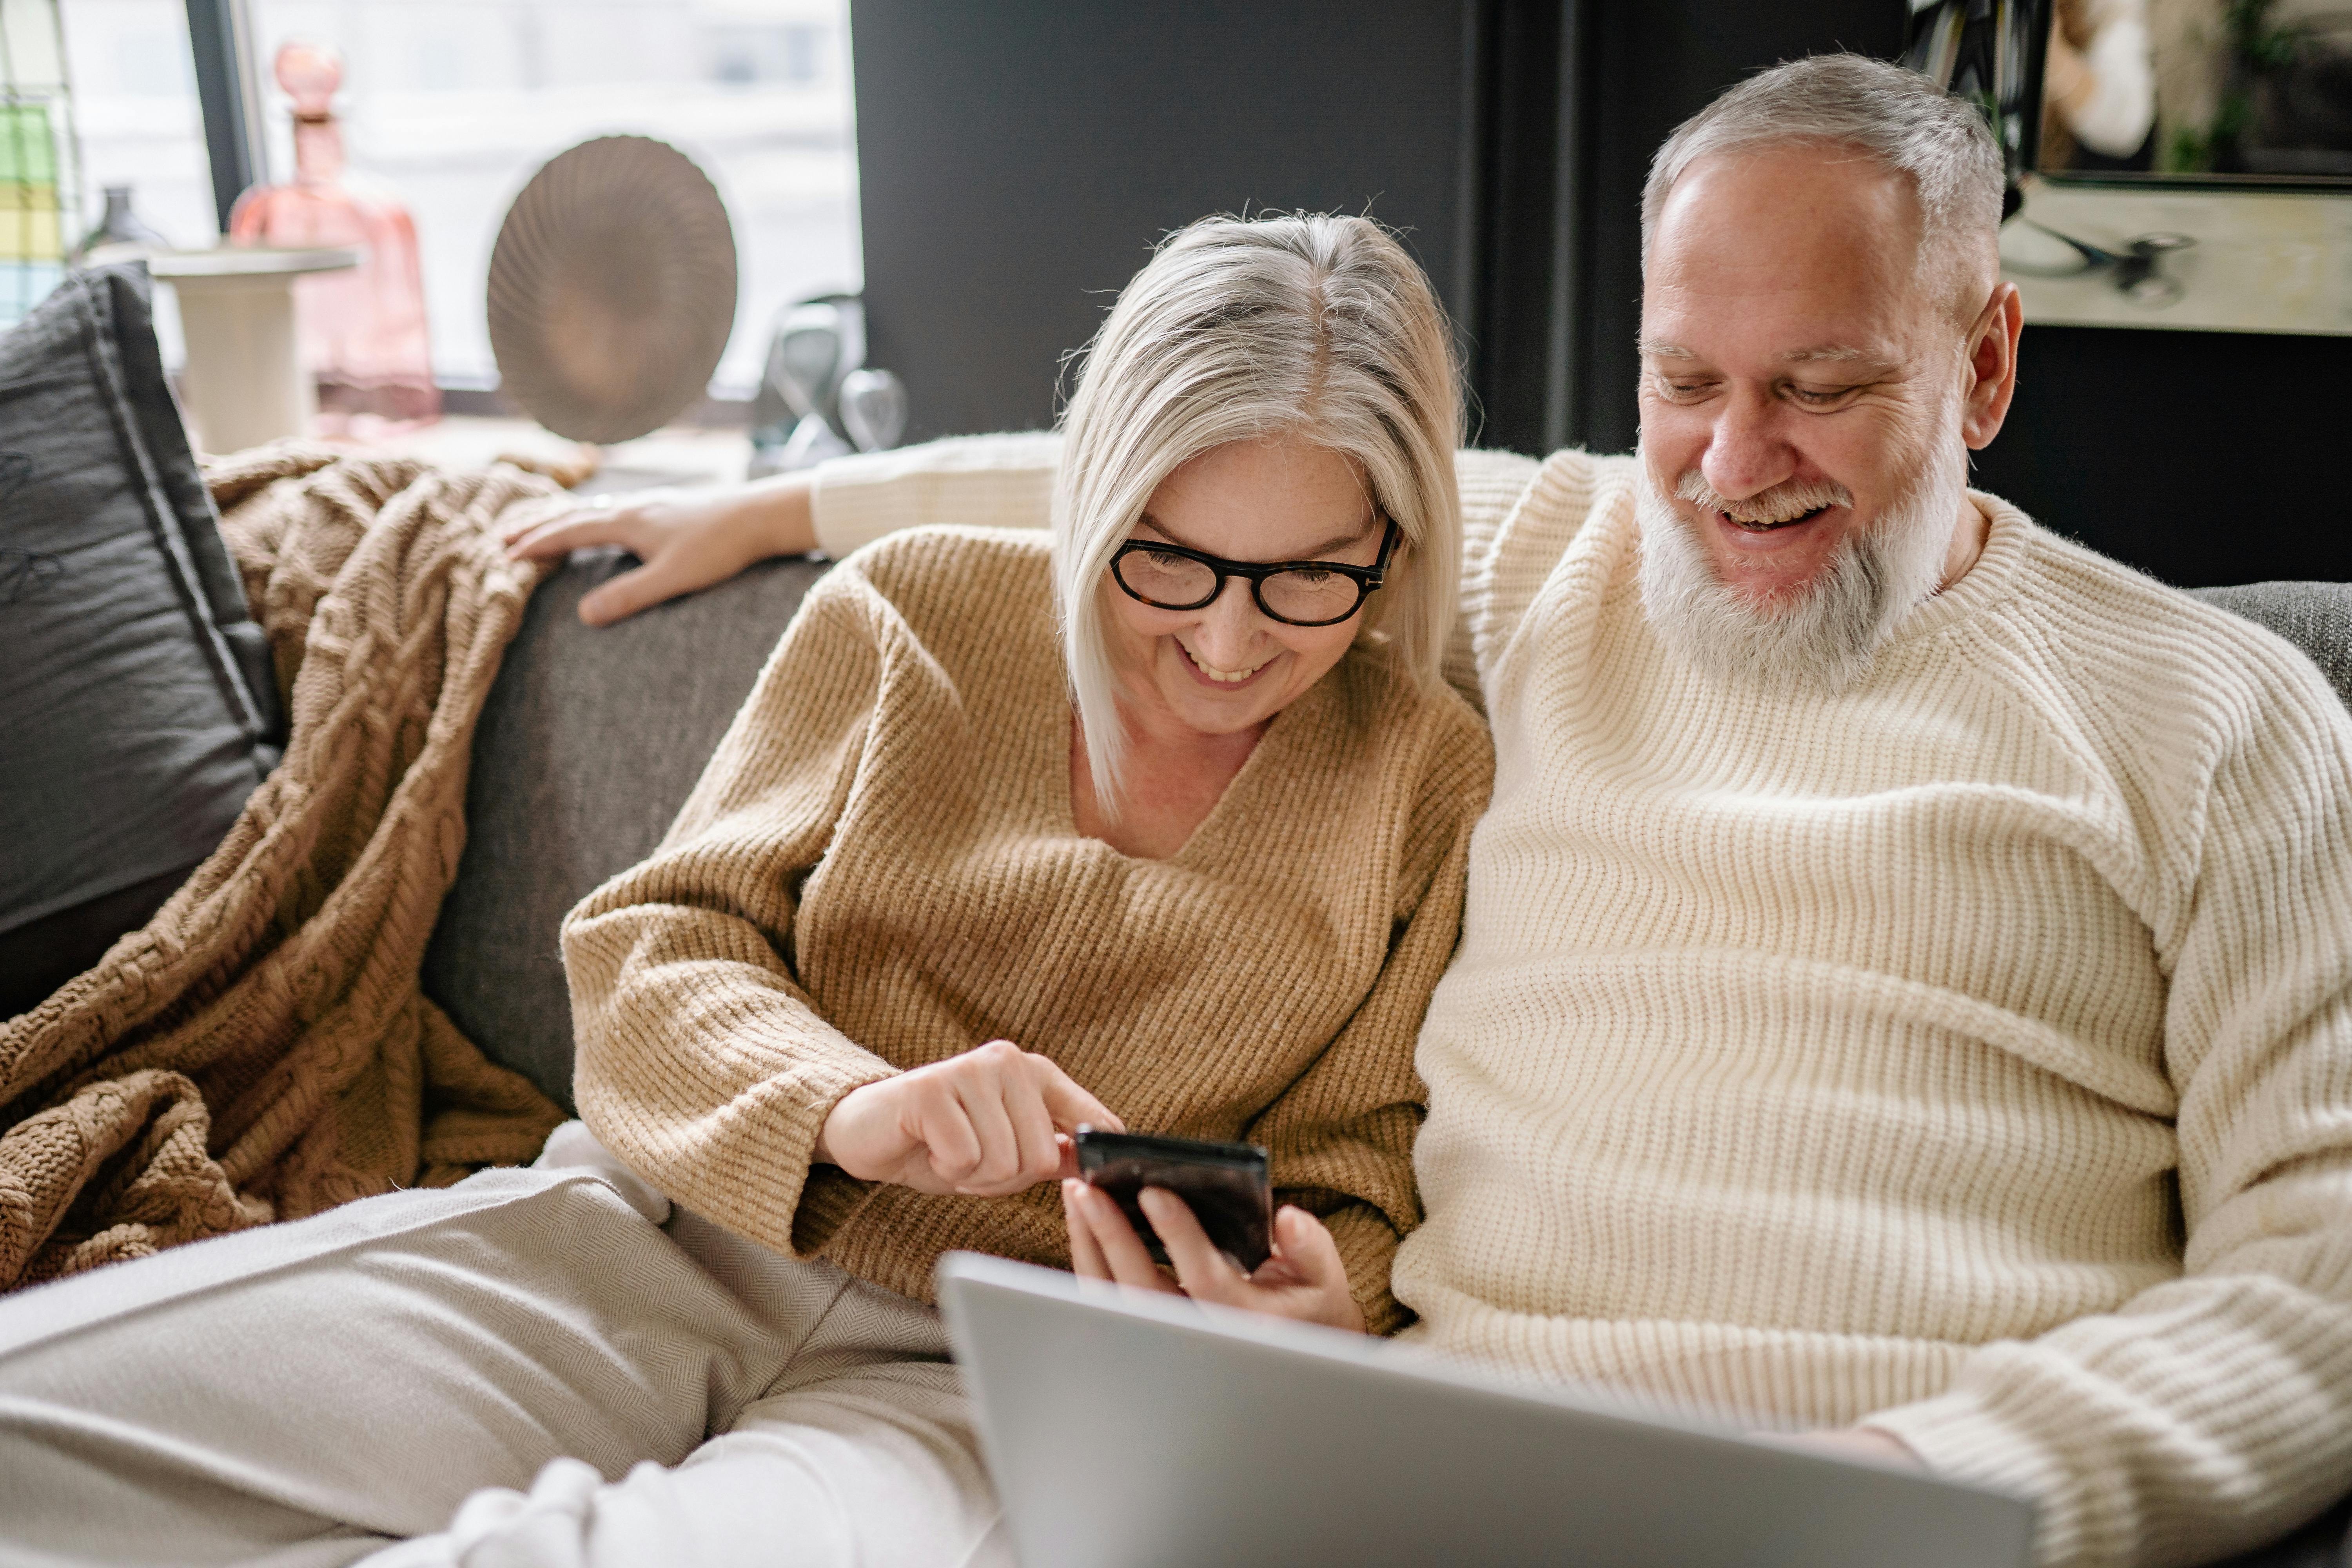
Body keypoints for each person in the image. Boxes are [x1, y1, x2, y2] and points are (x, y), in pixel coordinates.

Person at [525, 56, 2352, 1568]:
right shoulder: (1565, 560)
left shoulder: (2225, 718)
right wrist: (786, 509)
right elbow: (1211, 465)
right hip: (1422, 1479)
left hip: (1896, 1503)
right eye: (1685, 382)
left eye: (1823, 388)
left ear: (1985, 366)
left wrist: (1940, 1477)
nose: (1732, 466)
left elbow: (2324, 1280)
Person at [0, 213, 1491, 1567]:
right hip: (652, 1244)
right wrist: (852, 1106)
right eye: (1168, 563)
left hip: (980, 1385)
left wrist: (1319, 1309)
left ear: (1393, 549)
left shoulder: (1423, 773)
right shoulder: (915, 611)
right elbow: (656, 948)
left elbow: (1358, 1163)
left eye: (1308, 581)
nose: (1230, 645)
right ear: (1094, 499)